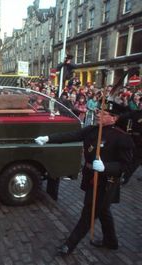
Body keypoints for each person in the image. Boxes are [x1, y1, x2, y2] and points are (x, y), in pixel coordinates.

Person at [35, 101, 134, 256]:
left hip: (106, 182)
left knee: (88, 213)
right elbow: (72, 135)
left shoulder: (122, 138)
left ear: (114, 118)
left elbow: (125, 167)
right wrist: (48, 138)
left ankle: (69, 245)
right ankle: (111, 241)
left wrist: (106, 167)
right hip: (91, 178)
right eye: (99, 112)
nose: (98, 114)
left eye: (103, 113)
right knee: (103, 211)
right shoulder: (93, 130)